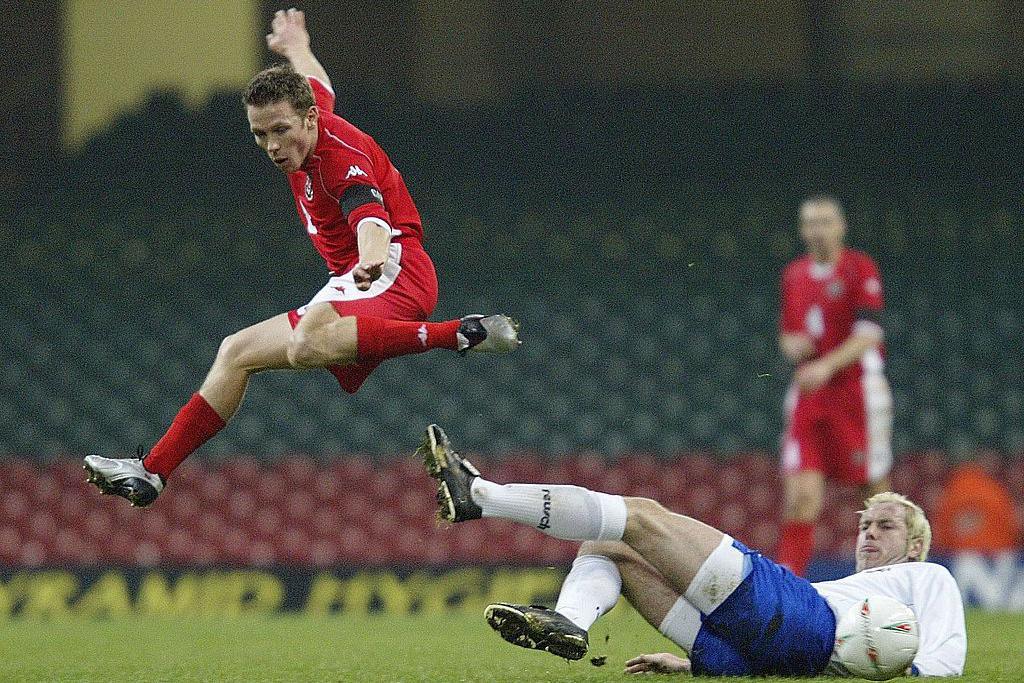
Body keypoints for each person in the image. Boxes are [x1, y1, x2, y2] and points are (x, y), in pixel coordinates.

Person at [83, 9, 519, 507]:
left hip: (395, 274)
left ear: (309, 120)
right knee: (235, 352)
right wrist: (295, 46)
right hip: (351, 280)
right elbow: (315, 81)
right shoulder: (310, 116)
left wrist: (370, 259)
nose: (271, 145)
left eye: (279, 131)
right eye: (259, 134)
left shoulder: (338, 156)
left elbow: (369, 215)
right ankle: (152, 472)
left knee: (306, 342)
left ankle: (458, 333)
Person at [418, 424, 966, 677]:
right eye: (864, 522)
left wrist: (901, 671)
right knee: (609, 543)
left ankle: (481, 497)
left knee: (641, 515)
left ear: (917, 544)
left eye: (887, 526)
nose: (869, 532)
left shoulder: (929, 579)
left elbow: (945, 665)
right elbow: (795, 658)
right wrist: (686, 667)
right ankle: (569, 620)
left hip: (798, 619)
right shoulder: (853, 591)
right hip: (749, 657)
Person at [777, 194, 894, 576]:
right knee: (801, 499)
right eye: (810, 223)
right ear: (802, 230)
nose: (818, 230)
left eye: (825, 222)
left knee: (874, 493)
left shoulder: (859, 269)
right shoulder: (794, 275)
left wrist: (826, 365)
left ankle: (899, 576)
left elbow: (869, 333)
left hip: (856, 393)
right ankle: (787, 593)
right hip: (810, 396)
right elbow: (788, 333)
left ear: (841, 227)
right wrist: (791, 345)